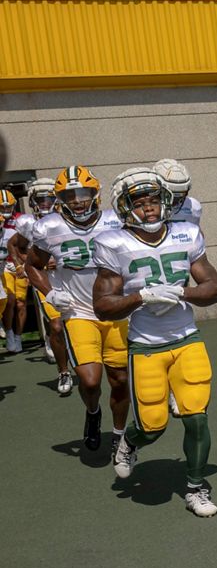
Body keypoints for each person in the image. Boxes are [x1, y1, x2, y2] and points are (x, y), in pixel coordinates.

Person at [91, 168, 217, 514]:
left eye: (154, 201)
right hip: (145, 344)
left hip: (186, 338)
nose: (149, 209)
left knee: (197, 416)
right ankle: (129, 442)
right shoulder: (113, 242)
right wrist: (141, 297)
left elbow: (214, 289)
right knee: (152, 426)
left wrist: (182, 291)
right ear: (124, 208)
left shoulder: (186, 233)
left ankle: (196, 488)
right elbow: (103, 307)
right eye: (140, 202)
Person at [26, 165, 130, 452]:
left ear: (95, 194)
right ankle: (93, 412)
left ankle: (119, 433)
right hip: (78, 312)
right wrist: (50, 292)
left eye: (83, 193)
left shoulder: (116, 221)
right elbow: (31, 265)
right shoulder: (50, 227)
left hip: (116, 310)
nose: (77, 200)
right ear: (60, 199)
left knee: (120, 379)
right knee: (90, 380)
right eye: (70, 195)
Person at [8, 178, 73, 389]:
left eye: (49, 199)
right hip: (46, 280)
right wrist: (23, 264)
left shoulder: (67, 219)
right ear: (33, 200)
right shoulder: (29, 224)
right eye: (40, 199)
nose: (45, 204)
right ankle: (64, 372)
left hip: (72, 279)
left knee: (72, 325)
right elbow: (15, 244)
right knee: (56, 326)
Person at [1, 189, 25, 353]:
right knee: (9, 301)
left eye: (9, 207)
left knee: (21, 302)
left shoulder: (21, 221)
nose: (6, 211)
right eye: (2, 208)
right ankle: (9, 333)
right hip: (4, 265)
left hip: (19, 264)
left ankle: (18, 336)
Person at [153, 159, 202, 227]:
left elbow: (195, 233)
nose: (175, 202)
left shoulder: (193, 207)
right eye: (171, 196)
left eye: (180, 197)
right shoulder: (145, 207)